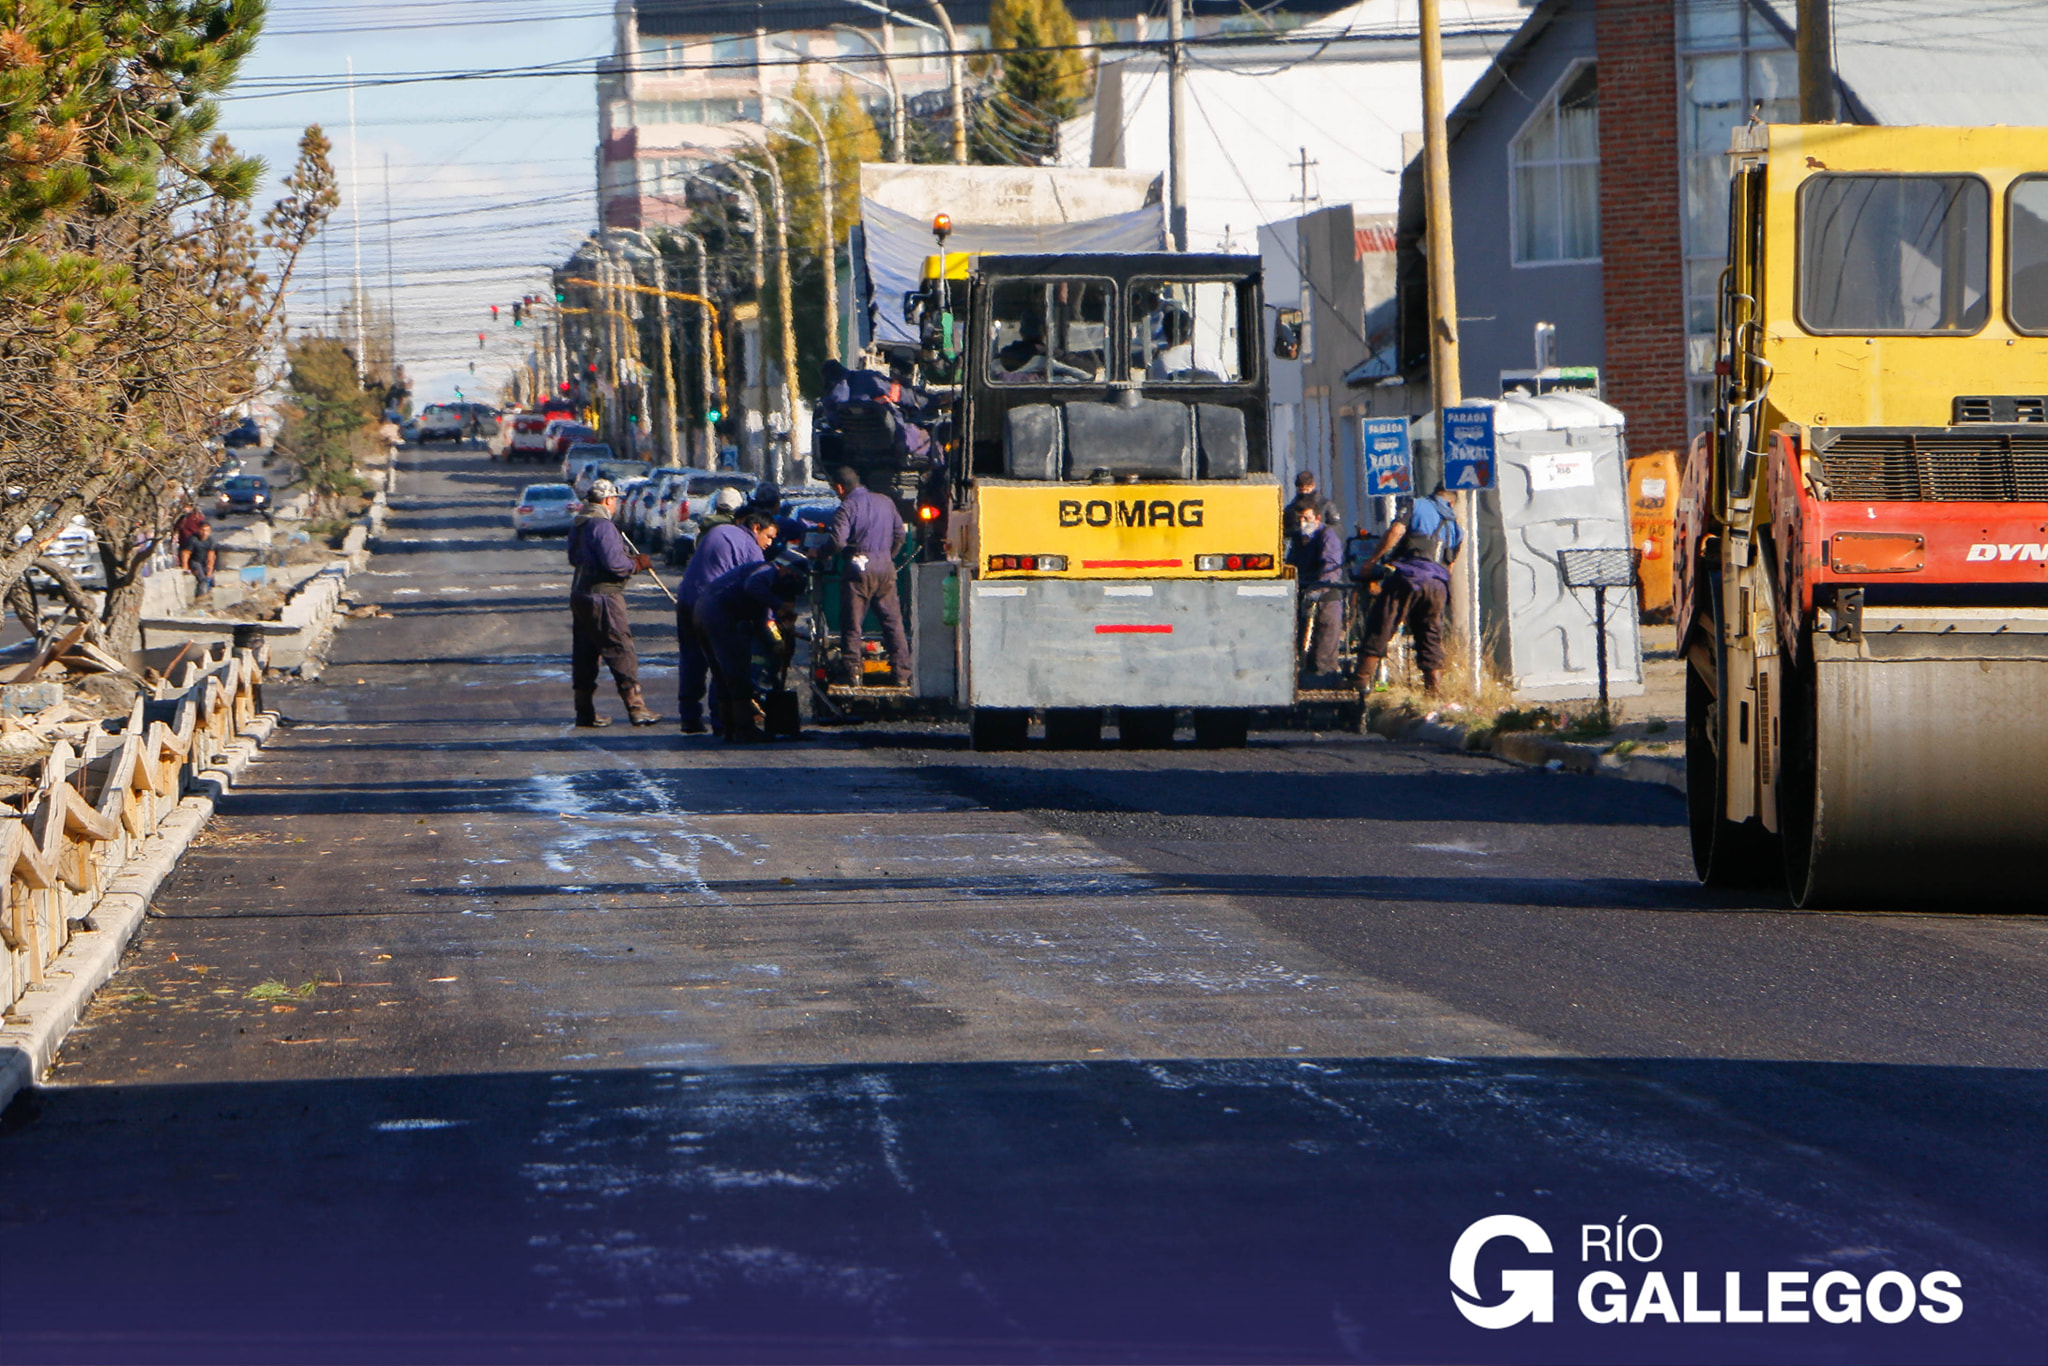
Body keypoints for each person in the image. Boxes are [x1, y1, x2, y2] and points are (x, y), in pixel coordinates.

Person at [1351, 484, 1462, 696]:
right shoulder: (1456, 527)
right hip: (1437, 585)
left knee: (1382, 623)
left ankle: (1361, 680)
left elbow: (1396, 531)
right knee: (1430, 634)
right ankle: (1433, 691)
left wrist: (1372, 560)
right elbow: (1450, 566)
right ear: (1451, 502)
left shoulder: (1416, 505)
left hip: (1409, 576)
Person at [566, 478, 659, 727]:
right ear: (608, 501)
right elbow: (615, 565)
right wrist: (636, 563)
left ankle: (584, 712)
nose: (616, 504)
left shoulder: (579, 523)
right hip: (604, 597)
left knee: (585, 653)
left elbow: (574, 558)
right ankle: (637, 709)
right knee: (621, 650)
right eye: (615, 500)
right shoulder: (604, 526)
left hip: (580, 594)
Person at [675, 509, 774, 735]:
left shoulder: (720, 531)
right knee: (722, 661)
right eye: (768, 536)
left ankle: (689, 717)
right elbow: (757, 588)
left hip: (686, 600)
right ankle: (721, 720)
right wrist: (770, 624)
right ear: (756, 527)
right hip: (712, 607)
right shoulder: (751, 548)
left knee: (691, 658)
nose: (768, 543)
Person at [696, 548, 809, 741]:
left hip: (703, 613)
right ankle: (743, 729)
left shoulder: (765, 587)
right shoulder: (768, 571)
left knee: (723, 674)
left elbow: (766, 620)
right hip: (718, 615)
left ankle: (729, 728)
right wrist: (779, 605)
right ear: (786, 568)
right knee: (737, 669)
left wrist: (777, 641)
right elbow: (752, 587)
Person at [824, 465, 909, 684]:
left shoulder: (847, 507)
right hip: (885, 566)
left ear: (840, 487)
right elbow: (900, 535)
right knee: (893, 623)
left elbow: (838, 542)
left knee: (852, 623)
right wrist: (887, 556)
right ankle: (902, 674)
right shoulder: (886, 502)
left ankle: (853, 673)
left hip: (858, 569)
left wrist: (819, 552)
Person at [1288, 503, 1348, 680]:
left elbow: (1331, 568)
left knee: (1324, 649)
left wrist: (1318, 589)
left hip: (1326, 597)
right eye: (1300, 519)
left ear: (1317, 518)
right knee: (1304, 650)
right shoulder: (1299, 539)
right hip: (1304, 595)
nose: (1302, 523)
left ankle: (1325, 683)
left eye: (1307, 518)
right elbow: (1292, 565)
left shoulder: (1327, 536)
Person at [179, 519, 217, 599]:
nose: (204, 533)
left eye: (207, 531)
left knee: (211, 579)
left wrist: (210, 570)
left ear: (210, 531)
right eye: (202, 530)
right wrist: (185, 567)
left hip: (204, 562)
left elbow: (211, 556)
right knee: (202, 580)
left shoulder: (210, 541)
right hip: (194, 562)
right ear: (199, 530)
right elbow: (186, 553)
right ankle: (199, 598)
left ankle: (210, 597)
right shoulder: (193, 539)